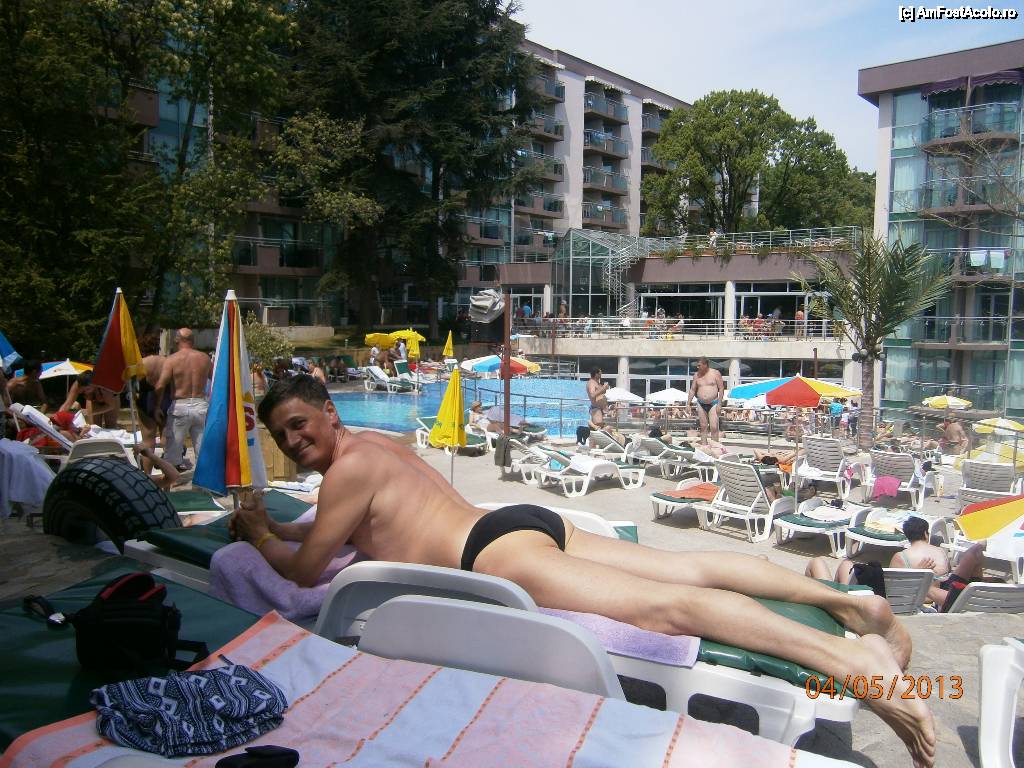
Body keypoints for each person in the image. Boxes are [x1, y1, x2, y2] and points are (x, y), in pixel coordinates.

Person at [231, 375, 936, 767]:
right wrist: (280, 526)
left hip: (495, 554)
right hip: (520, 521)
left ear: (328, 412)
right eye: (282, 434)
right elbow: (329, 527)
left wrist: (260, 535)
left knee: (668, 607)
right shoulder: (376, 446)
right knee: (684, 569)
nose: (293, 439)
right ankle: (851, 604)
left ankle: (851, 664)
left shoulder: (345, 472)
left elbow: (308, 568)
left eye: (300, 424)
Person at [155, 328, 211, 470]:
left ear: (177, 340)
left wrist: (156, 407)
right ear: (193, 340)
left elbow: (160, 385)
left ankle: (170, 482)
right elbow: (216, 380)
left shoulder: (172, 359)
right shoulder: (205, 358)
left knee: (172, 453)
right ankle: (203, 482)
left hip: (180, 405)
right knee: (203, 452)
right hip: (201, 405)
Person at [687, 357, 724, 445]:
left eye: (699, 365)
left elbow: (721, 388)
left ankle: (715, 446)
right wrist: (688, 403)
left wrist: (719, 403)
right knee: (703, 426)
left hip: (713, 403)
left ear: (705, 365)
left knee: (714, 427)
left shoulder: (715, 373)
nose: (697, 367)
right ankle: (704, 446)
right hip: (701, 403)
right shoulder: (696, 375)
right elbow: (692, 389)